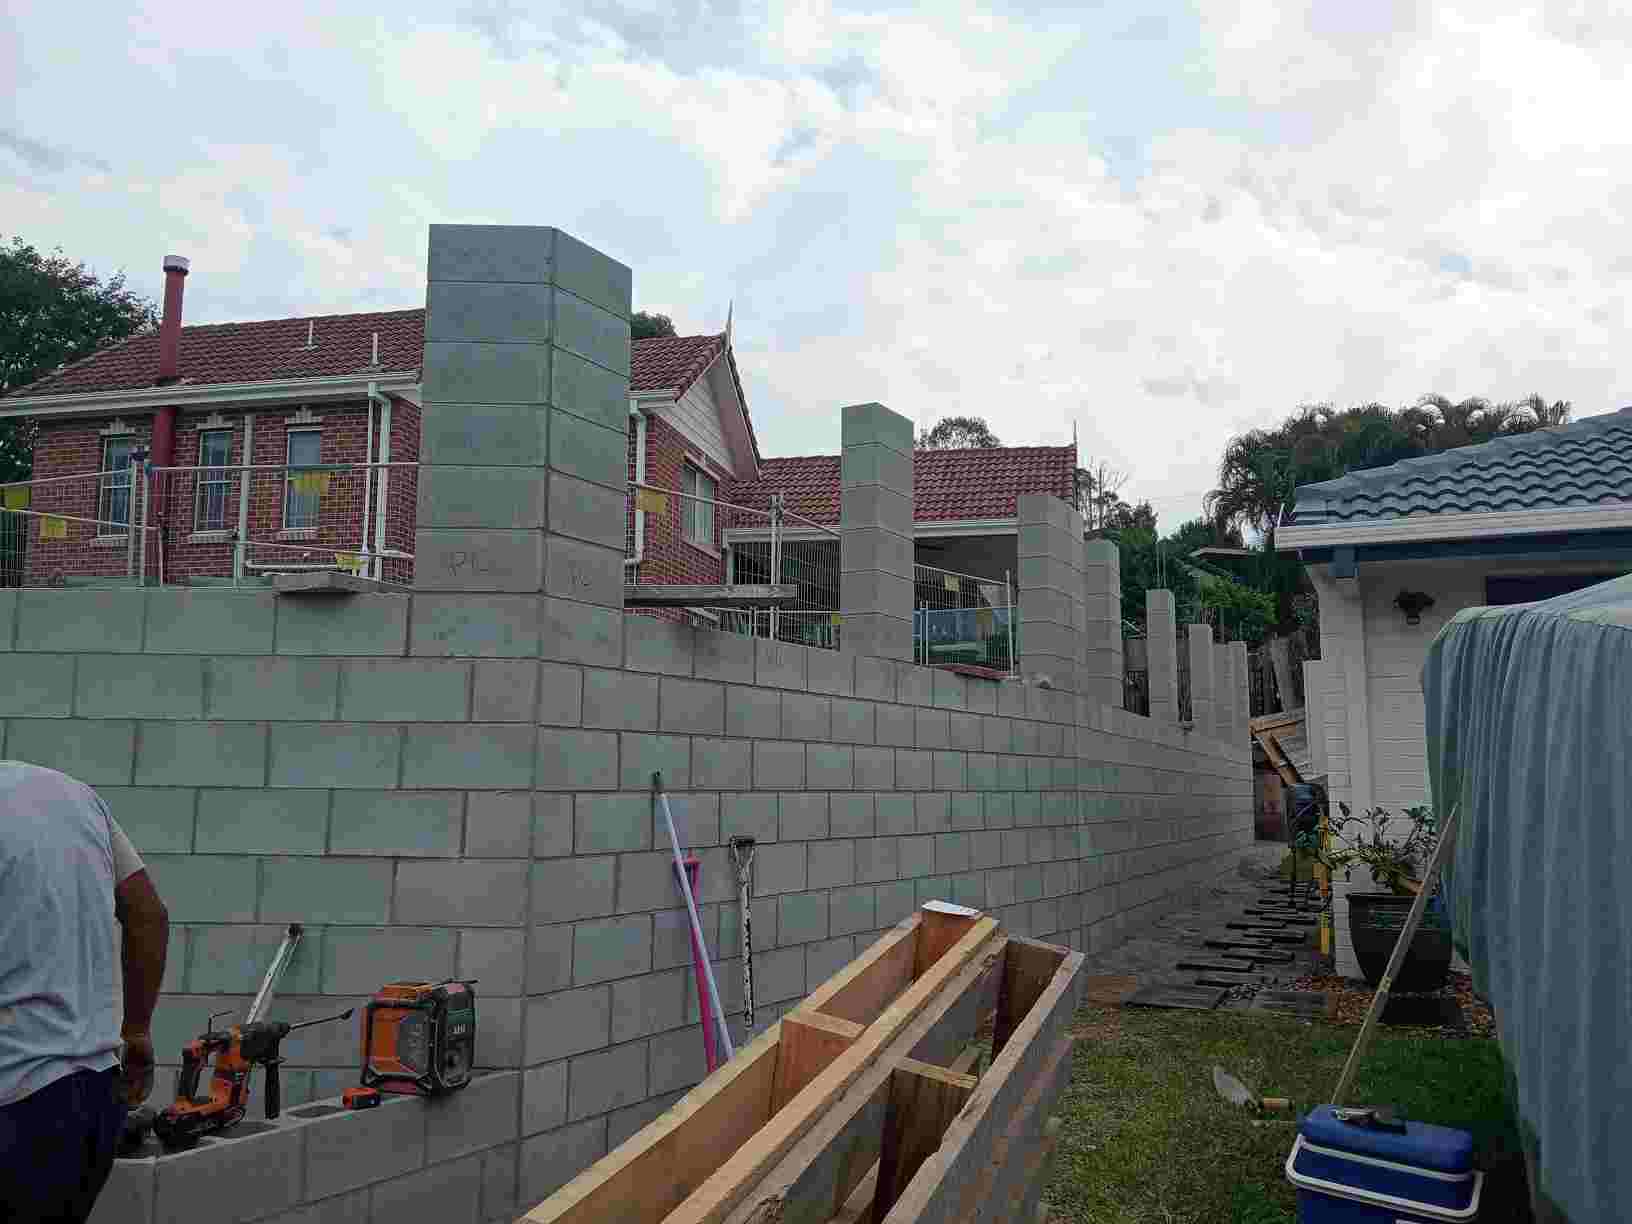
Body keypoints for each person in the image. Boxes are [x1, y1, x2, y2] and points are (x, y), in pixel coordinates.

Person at [0, 761, 169, 1223]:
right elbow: (148, 915)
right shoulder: (74, 795)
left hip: (13, 1098)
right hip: (94, 1098)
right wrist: (136, 1031)